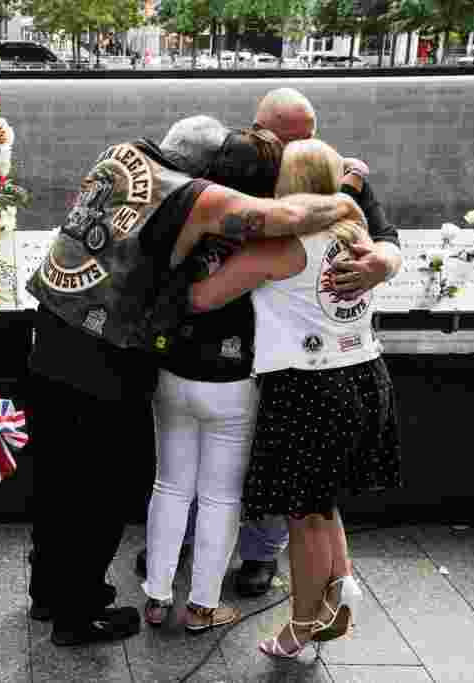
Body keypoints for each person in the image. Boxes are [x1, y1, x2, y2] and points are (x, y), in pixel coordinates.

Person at [25, 114, 365, 647]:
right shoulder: (197, 198)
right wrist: (345, 202)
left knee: (57, 480)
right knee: (101, 490)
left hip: (49, 330)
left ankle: (47, 593)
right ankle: (79, 613)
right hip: (104, 358)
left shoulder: (124, 153)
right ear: (206, 172)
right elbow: (285, 215)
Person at [135, 87, 403, 598]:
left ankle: (258, 556)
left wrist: (378, 265)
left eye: (304, 138)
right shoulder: (240, 165)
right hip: (267, 357)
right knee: (232, 474)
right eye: (284, 139)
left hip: (288, 361)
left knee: (267, 474)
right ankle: (184, 552)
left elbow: (388, 241)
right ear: (260, 130)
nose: (292, 149)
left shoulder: (326, 173)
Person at [189, 139, 403, 657]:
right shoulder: (357, 234)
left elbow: (203, 297)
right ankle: (340, 591)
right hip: (364, 375)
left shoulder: (279, 248)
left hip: (309, 388)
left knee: (304, 517)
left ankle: (299, 629)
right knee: (323, 504)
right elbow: (386, 247)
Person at [141, 124, 288, 631]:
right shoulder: (272, 229)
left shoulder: (191, 208)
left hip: (172, 371)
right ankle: (203, 605)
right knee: (222, 494)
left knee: (170, 483)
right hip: (231, 381)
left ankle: (157, 598)